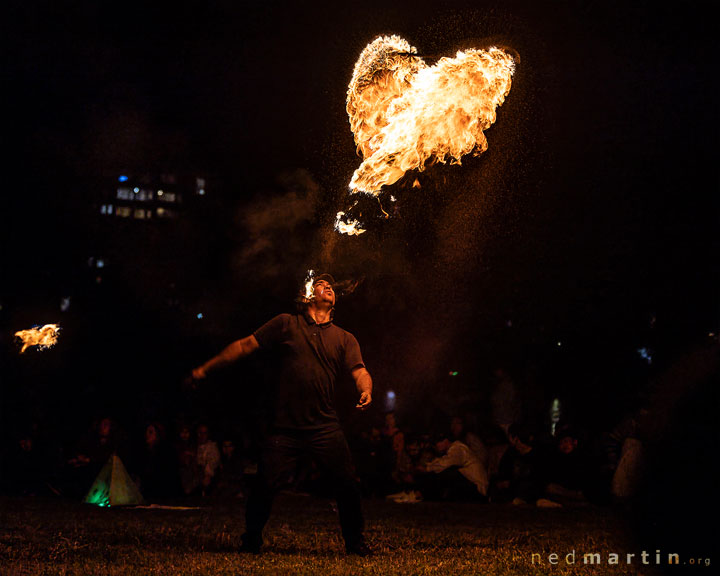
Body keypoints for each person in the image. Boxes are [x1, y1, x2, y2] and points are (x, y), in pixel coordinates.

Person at [189, 273, 373, 556]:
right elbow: (244, 345)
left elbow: (360, 371)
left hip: (324, 427)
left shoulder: (345, 338)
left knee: (347, 484)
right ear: (308, 297)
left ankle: (355, 543)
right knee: (264, 485)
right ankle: (251, 540)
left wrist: (366, 390)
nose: (328, 288)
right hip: (285, 428)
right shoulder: (287, 323)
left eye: (331, 287)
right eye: (321, 284)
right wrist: (206, 368)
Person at [420, 433, 489, 501]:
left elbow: (446, 463)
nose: (436, 446)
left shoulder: (458, 448)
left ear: (446, 440)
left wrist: (427, 469)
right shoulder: (453, 450)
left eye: (437, 443)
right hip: (472, 486)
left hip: (477, 488)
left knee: (447, 473)